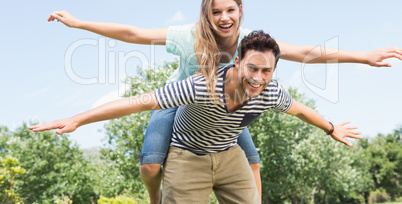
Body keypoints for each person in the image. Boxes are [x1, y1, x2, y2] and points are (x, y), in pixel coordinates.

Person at [47, 0, 402, 203]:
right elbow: (133, 34)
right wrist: (79, 23)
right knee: (153, 165)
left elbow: (310, 53)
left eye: (230, 10)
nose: (224, 17)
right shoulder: (188, 37)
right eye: (216, 12)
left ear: (240, 10)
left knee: (252, 162)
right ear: (207, 14)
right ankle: (157, 198)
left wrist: (362, 57)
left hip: (227, 110)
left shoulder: (253, 46)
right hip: (181, 101)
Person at [29, 31, 362, 203]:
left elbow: (301, 111)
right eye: (252, 68)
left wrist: (331, 128)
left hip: (230, 156)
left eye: (266, 70)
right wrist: (78, 118)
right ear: (237, 62)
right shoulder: (202, 86)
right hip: (187, 158)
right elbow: (138, 102)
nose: (258, 77)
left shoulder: (271, 91)